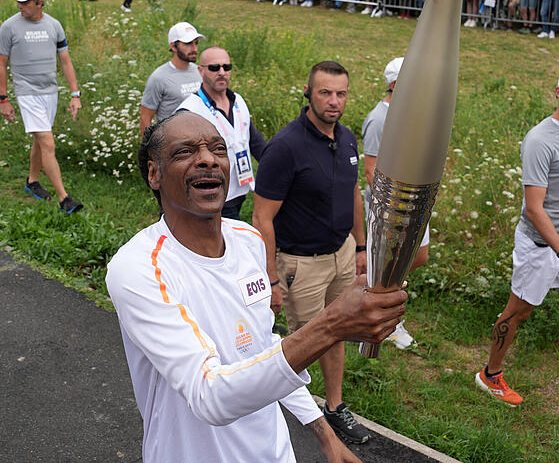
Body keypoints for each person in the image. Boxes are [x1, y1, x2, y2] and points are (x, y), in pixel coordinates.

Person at [106, 110, 407, 462]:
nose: (207, 159)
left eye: (218, 149)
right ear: (154, 173)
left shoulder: (248, 240)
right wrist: (333, 324)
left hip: (274, 453)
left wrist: (322, 430)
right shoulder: (139, 267)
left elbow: (264, 346)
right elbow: (209, 396)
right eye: (185, 152)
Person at [252, 61, 370, 443]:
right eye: (325, 93)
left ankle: (333, 409)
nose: (334, 101)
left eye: (341, 94)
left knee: (336, 334)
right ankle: (287, 419)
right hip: (301, 264)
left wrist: (362, 247)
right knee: (303, 344)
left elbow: (353, 194)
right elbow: (261, 216)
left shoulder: (348, 138)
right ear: (308, 93)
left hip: (342, 253)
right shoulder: (285, 148)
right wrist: (270, 276)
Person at [475, 62, 559, 406]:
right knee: (518, 313)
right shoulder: (540, 140)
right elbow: (534, 207)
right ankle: (489, 375)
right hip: (541, 245)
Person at [0, 0, 83, 214]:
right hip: (27, 92)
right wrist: (3, 99)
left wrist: (75, 94)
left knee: (39, 140)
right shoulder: (9, 27)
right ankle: (65, 199)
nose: (19, 6)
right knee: (47, 141)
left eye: (24, 2)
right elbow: (0, 64)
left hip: (50, 92)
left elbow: (65, 61)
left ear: (39, 3)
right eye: (18, 2)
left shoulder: (54, 26)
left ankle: (32, 181)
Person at [361, 57, 429, 349]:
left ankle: (374, 295)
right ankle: (385, 322)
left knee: (419, 256)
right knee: (389, 262)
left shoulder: (414, 114)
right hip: (392, 208)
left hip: (415, 202)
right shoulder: (379, 118)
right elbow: (370, 170)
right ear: (394, 84)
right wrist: (395, 210)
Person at [177, 47, 267, 220]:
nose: (222, 72)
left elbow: (254, 141)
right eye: (214, 68)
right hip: (211, 195)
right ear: (200, 71)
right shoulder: (189, 111)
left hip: (240, 189)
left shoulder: (238, 100)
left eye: (227, 67)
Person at [139, 21, 204, 135]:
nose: (194, 48)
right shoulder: (159, 77)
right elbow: (145, 118)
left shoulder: (200, 72)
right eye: (188, 43)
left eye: (196, 43)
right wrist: (150, 150)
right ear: (174, 46)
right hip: (172, 145)